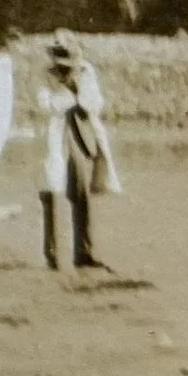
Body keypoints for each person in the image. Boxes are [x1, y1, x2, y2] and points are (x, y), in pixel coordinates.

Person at [39, 34, 121, 271]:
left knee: (81, 189)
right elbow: (47, 105)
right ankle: (52, 254)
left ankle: (84, 252)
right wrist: (69, 95)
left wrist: (74, 92)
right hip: (56, 134)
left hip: (82, 132)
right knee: (52, 191)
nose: (65, 69)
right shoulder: (46, 75)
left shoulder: (86, 71)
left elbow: (94, 103)